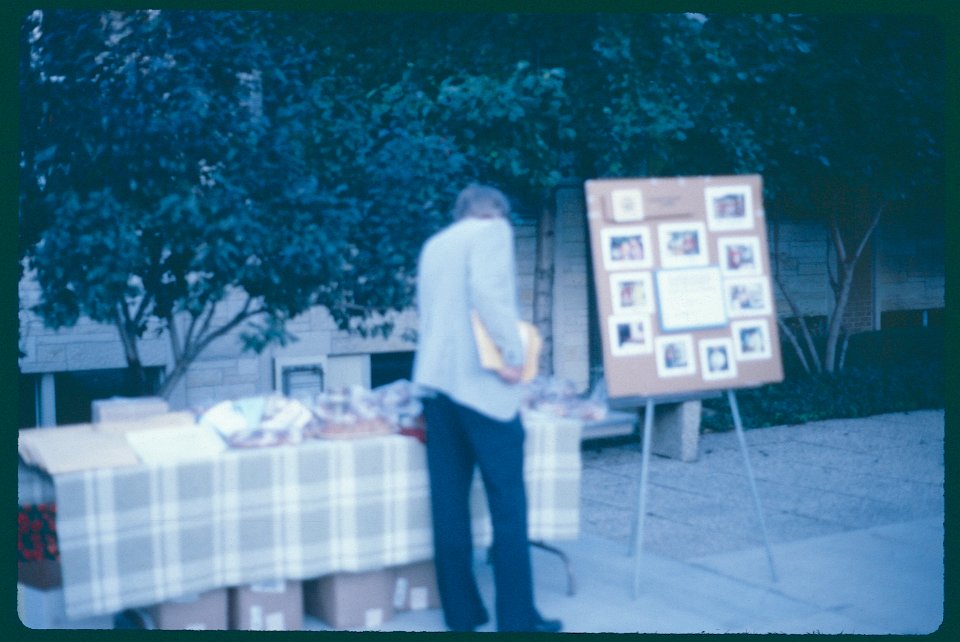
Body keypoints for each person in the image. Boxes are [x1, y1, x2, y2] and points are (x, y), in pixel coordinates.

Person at [412, 183, 562, 633]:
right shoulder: (491, 232)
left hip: (436, 386)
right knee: (508, 503)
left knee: (449, 503)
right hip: (480, 385)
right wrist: (514, 355)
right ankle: (517, 620)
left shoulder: (436, 244)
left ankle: (462, 613)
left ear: (460, 212)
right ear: (494, 212)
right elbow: (489, 294)